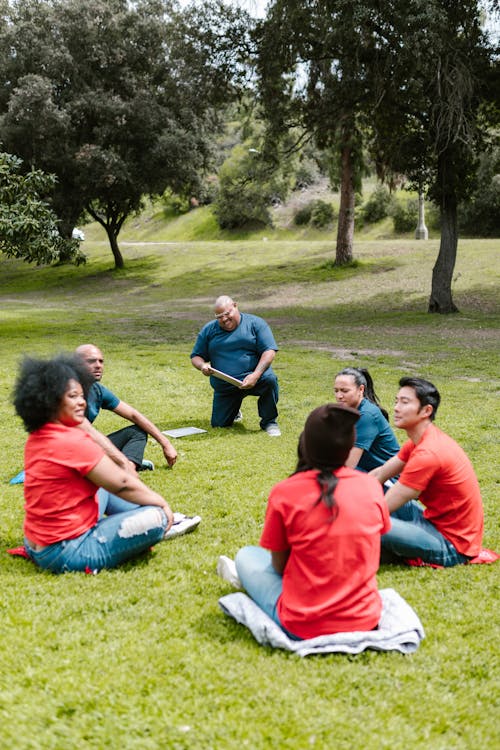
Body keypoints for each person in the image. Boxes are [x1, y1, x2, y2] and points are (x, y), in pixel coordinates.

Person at [13, 354, 200, 574]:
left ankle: (147, 514)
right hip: (66, 552)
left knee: (103, 488)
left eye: (82, 395)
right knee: (157, 517)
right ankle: (163, 519)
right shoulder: (71, 441)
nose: (82, 402)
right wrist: (162, 505)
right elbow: (121, 483)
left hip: (36, 543)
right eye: (73, 396)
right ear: (50, 400)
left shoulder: (38, 437)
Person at [217, 404, 390, 639]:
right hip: (364, 618)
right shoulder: (371, 486)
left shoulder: (286, 492)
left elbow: (279, 566)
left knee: (247, 556)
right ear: (350, 446)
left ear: (306, 444)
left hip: (303, 622)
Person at [370, 377, 484, 567]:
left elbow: (383, 509)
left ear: (426, 410)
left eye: (404, 402)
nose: (396, 408)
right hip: (430, 523)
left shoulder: (428, 452)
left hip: (452, 546)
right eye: (396, 401)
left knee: (370, 523)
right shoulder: (418, 441)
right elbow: (379, 475)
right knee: (368, 494)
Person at [76, 344, 177, 471]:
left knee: (137, 431)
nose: (98, 365)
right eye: (91, 361)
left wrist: (165, 443)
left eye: (101, 361)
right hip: (67, 451)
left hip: (88, 447)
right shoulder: (64, 390)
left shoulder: (97, 390)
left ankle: (129, 466)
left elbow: (133, 415)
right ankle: (123, 466)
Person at [190, 295, 281, 436]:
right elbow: (195, 356)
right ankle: (234, 410)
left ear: (235, 306)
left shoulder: (255, 324)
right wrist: (202, 365)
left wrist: (255, 375)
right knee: (219, 425)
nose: (224, 319)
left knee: (269, 380)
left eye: (227, 313)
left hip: (255, 378)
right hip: (226, 385)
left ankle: (269, 422)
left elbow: (269, 351)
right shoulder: (209, 330)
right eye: (219, 316)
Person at [334, 367, 400, 472]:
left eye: (344, 391)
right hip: (367, 471)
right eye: (336, 391)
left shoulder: (367, 415)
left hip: (388, 479)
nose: (339, 396)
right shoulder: (347, 411)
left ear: (361, 389)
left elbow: (348, 467)